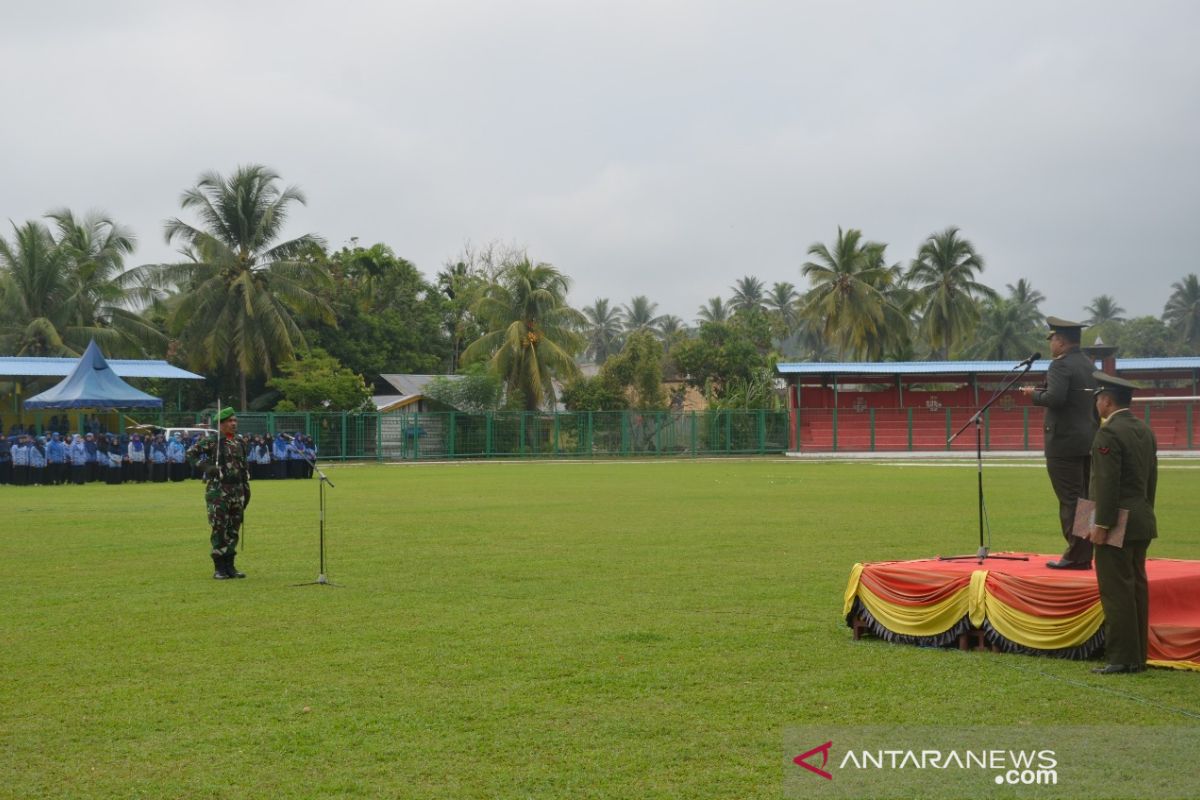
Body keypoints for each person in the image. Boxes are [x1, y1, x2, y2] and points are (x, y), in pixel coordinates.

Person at [1086, 373, 1158, 675]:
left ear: (1106, 401)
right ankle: (1137, 655)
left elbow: (1105, 483)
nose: (1097, 404)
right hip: (1141, 517)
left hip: (1115, 521)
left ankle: (1121, 658)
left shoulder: (1108, 433)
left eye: (1098, 399)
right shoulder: (1144, 430)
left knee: (1116, 590)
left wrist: (1100, 524)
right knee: (1136, 588)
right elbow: (1151, 479)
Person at [1020, 316, 1099, 569]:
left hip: (1064, 443)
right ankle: (1086, 553)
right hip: (1088, 439)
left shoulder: (1060, 366)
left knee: (1071, 500)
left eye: (1052, 338)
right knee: (1087, 498)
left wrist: (1034, 394)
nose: (1051, 343)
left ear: (1061, 341)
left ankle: (1077, 554)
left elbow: (1055, 398)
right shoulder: (1088, 364)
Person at [186, 408, 251, 580]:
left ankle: (230, 566)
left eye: (235, 421)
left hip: (237, 491)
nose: (234, 424)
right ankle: (219, 567)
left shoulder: (240, 442)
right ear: (221, 424)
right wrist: (207, 468)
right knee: (219, 527)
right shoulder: (212, 441)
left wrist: (246, 488)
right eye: (230, 421)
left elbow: (243, 467)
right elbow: (190, 454)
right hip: (218, 491)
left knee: (233, 529)